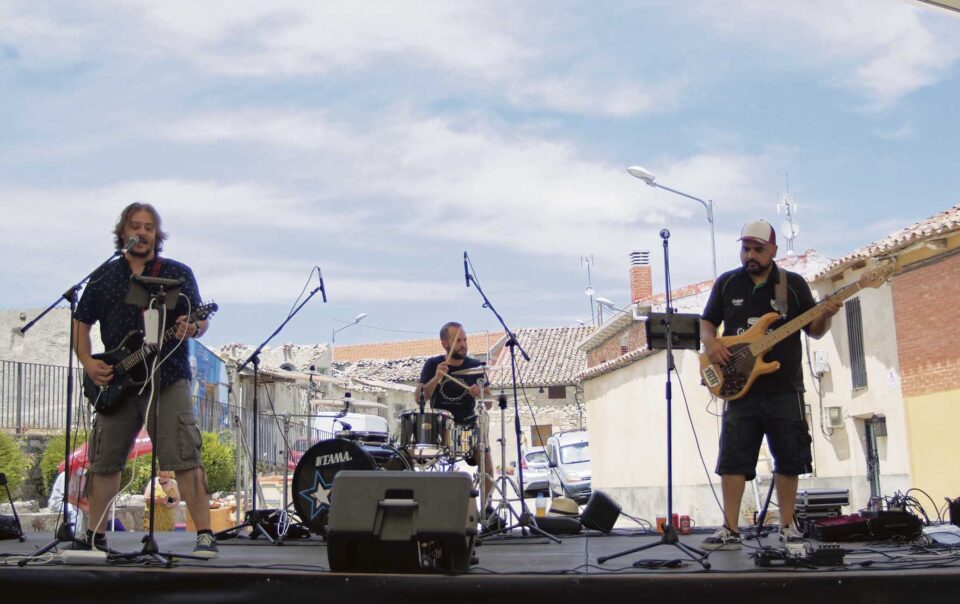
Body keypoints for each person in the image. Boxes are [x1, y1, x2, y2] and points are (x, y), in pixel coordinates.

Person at [72, 202, 218, 558]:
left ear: (157, 234)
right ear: (122, 232)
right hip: (117, 382)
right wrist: (89, 362)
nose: (142, 232)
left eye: (149, 227)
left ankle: (204, 535)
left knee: (185, 455)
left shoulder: (177, 272)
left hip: (167, 377)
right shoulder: (104, 277)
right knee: (104, 460)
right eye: (135, 226)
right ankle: (95, 534)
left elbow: (199, 322)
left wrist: (192, 327)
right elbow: (81, 323)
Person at [699, 220, 842, 550]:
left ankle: (788, 526)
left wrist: (828, 313)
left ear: (773, 251)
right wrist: (711, 344)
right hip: (739, 387)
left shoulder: (791, 285)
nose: (750, 255)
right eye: (745, 248)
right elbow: (707, 321)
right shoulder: (727, 283)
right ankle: (730, 529)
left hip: (784, 387)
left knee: (789, 458)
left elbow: (815, 330)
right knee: (733, 460)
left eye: (758, 249)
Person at [416, 322, 495, 511]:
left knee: (486, 460)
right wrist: (436, 378)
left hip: (468, 426)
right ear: (444, 343)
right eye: (457, 340)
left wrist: (481, 395)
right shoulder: (433, 364)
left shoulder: (475, 366)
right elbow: (419, 398)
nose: (463, 344)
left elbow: (491, 402)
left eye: (465, 340)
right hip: (439, 427)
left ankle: (486, 509)